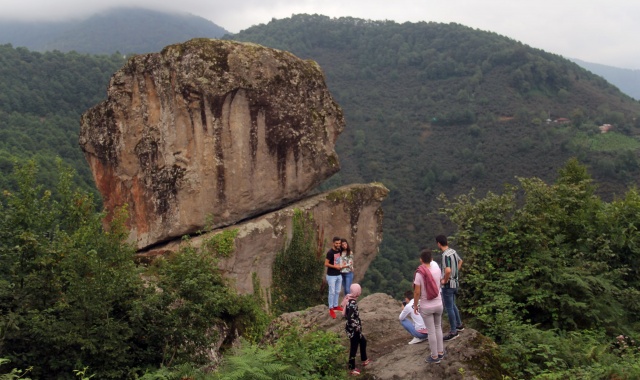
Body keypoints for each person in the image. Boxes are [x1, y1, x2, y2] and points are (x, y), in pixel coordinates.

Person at [413, 248, 444, 364]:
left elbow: (417, 292)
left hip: (427, 306)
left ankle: (435, 356)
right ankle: (441, 352)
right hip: (439, 304)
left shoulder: (420, 274)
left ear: (421, 260)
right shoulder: (437, 270)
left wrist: (415, 305)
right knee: (438, 327)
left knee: (431, 331)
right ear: (431, 259)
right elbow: (439, 282)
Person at [436, 234, 464, 342]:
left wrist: (445, 280)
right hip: (455, 283)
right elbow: (460, 261)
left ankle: (453, 331)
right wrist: (455, 273)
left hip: (448, 285)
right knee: (453, 305)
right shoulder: (452, 251)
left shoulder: (445, 255)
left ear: (439, 243)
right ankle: (459, 325)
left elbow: (447, 270)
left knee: (449, 308)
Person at [341, 283, 371, 375]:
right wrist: (356, 327)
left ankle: (364, 359)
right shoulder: (353, 302)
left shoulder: (349, 299)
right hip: (354, 330)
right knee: (353, 348)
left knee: (363, 341)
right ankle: (352, 368)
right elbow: (349, 318)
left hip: (351, 328)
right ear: (358, 292)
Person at [325, 236, 344, 319]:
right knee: (332, 292)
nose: (338, 244)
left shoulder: (339, 250)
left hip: (338, 274)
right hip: (331, 275)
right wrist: (335, 267)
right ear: (333, 243)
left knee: (338, 291)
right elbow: (326, 263)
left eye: (339, 243)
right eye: (336, 243)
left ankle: (336, 306)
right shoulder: (330, 252)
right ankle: (331, 308)